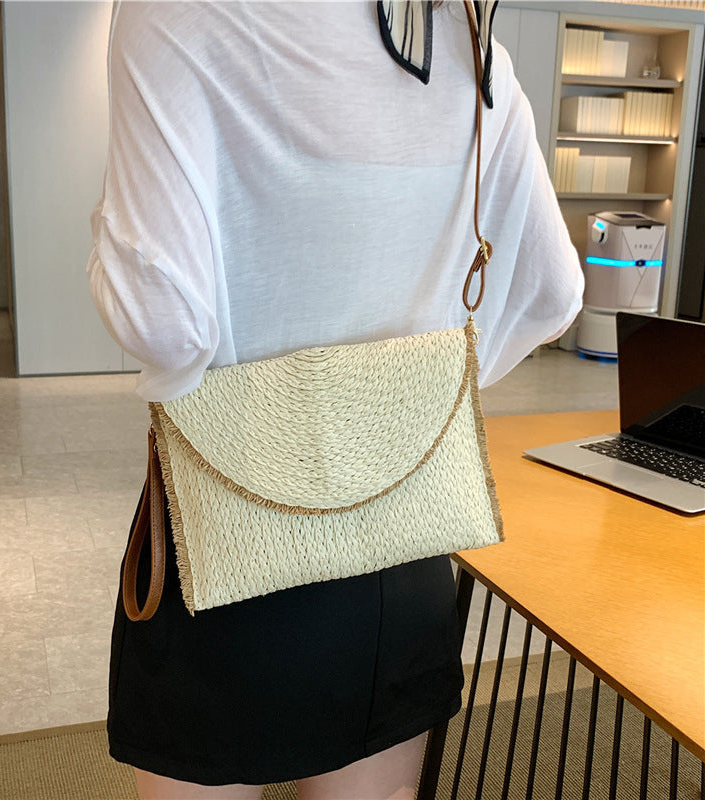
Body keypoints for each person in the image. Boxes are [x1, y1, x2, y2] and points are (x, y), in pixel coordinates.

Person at [87, 2, 583, 798]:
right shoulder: (465, 36)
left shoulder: (175, 10)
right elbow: (553, 290)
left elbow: (165, 328)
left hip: (228, 548)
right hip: (405, 547)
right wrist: (406, 387)